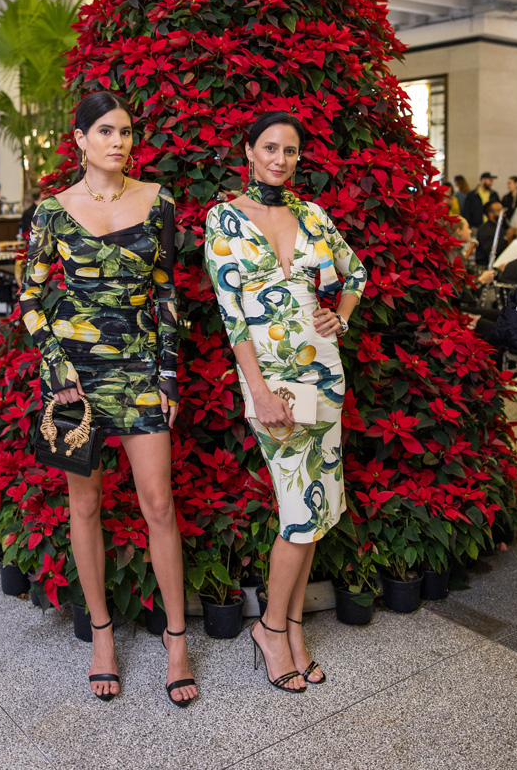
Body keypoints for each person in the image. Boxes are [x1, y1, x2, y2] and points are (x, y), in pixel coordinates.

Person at [19, 92, 197, 706]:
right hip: (75, 379)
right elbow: (31, 300)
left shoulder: (158, 202)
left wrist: (169, 376)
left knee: (158, 503)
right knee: (86, 504)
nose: (119, 141)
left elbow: (169, 294)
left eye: (125, 131)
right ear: (79, 140)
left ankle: (177, 640)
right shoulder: (52, 211)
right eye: (105, 131)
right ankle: (101, 636)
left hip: (142, 371)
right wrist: (56, 365)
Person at [204, 111, 367, 693]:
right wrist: (258, 390)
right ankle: (270, 629)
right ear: (249, 151)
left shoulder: (313, 215)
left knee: (315, 511)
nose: (280, 159)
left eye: (291, 151)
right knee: (299, 512)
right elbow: (233, 316)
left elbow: (356, 273)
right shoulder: (223, 218)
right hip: (271, 382)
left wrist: (339, 319)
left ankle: (293, 629)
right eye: (270, 148)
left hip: (324, 375)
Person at [475, 200, 506, 267]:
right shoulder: (485, 230)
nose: (503, 213)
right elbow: (491, 252)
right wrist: (506, 238)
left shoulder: (501, 226)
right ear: (490, 214)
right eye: (499, 210)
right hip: (486, 265)